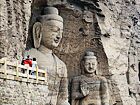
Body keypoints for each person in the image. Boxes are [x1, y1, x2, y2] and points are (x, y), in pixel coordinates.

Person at [25, 7, 69, 105]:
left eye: (61, 32)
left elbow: (63, 98)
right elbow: (27, 87)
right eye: (54, 30)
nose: (59, 36)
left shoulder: (62, 65)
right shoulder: (29, 56)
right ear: (38, 30)